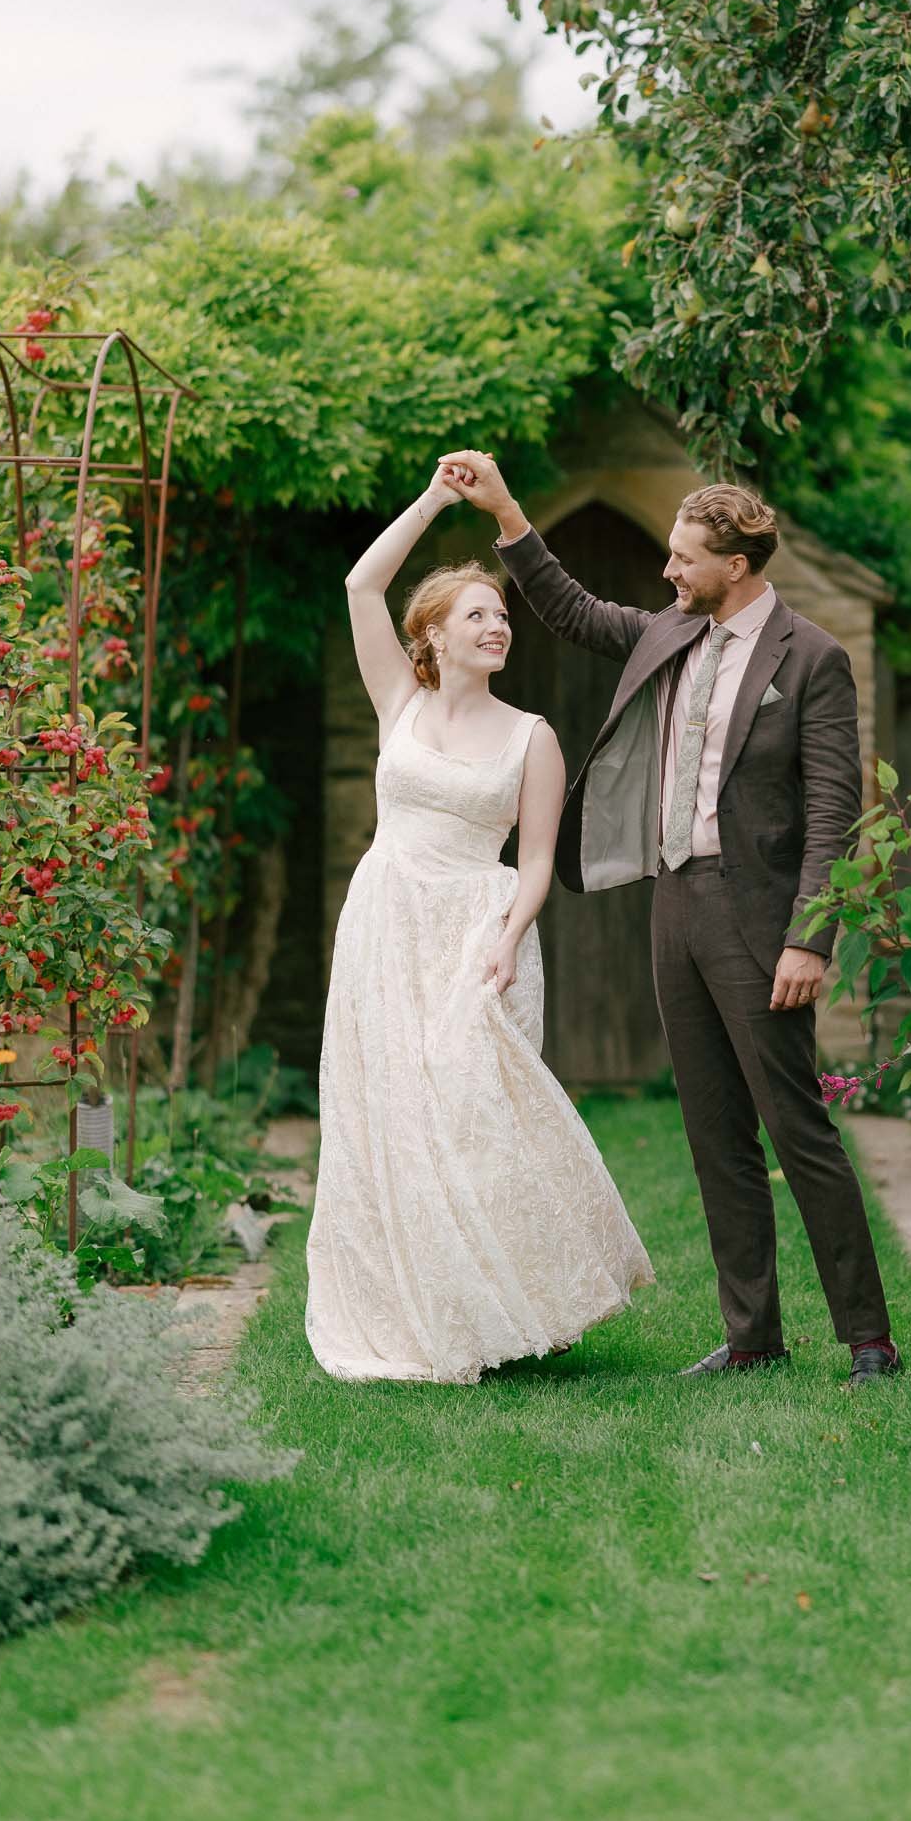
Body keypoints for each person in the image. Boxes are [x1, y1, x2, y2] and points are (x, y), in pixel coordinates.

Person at [441, 454, 899, 1387]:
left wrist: (811, 937)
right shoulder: (669, 633)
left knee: (795, 1128)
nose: (668, 572)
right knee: (712, 1130)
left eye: (685, 559)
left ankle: (869, 1340)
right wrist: (507, 513)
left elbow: (832, 811)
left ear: (738, 565)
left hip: (760, 916)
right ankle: (752, 1338)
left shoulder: (811, 658)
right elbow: (569, 609)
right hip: (674, 902)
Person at [304, 458, 653, 1385]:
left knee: (473, 1112)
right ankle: (423, 1312)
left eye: (503, 619)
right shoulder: (399, 704)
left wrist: (503, 938)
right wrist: (434, 500)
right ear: (434, 637)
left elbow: (534, 860)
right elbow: (359, 582)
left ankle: (532, 1297)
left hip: (474, 927)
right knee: (390, 1113)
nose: (498, 626)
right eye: (479, 617)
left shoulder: (531, 735)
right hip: (385, 922)